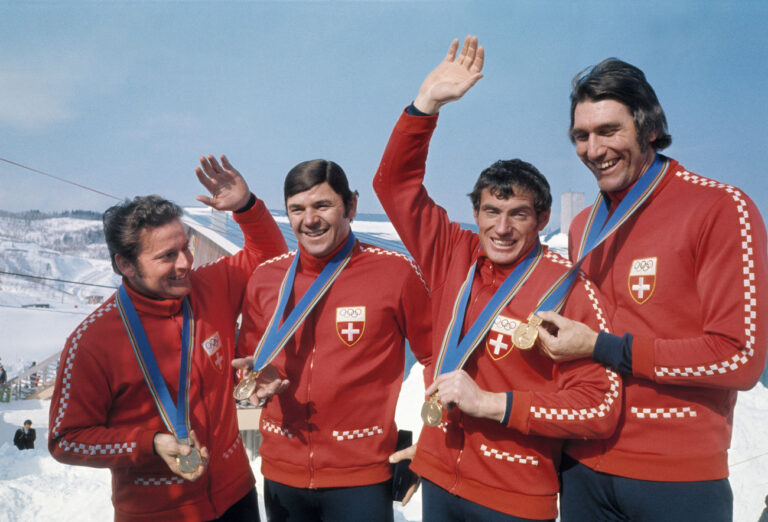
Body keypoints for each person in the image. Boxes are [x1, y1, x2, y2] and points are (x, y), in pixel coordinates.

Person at [373, 36, 621, 521]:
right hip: (441, 480)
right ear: (475, 212)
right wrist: (426, 105)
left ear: (543, 216)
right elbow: (394, 186)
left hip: (514, 497)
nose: (501, 228)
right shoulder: (453, 254)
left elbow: (597, 408)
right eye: (491, 211)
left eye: (518, 214)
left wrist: (492, 404)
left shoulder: (569, 287)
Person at [535, 58, 768, 521]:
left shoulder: (719, 207)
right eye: (581, 136)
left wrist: (604, 348)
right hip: (583, 467)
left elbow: (739, 357)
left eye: (608, 130)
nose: (593, 149)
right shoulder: (584, 225)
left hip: (675, 478)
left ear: (650, 128)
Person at [48, 155, 287, 521]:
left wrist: (246, 207)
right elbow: (66, 439)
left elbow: (269, 258)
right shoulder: (92, 340)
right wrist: (150, 444)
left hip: (236, 496)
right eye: (167, 256)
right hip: (157, 512)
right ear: (125, 265)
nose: (185, 262)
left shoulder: (208, 286)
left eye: (186, 247)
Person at [233, 159, 432, 522]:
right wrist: (252, 382)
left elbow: (437, 358)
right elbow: (246, 360)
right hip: (282, 473)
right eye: (297, 209)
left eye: (322, 205)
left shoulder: (395, 272)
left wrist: (433, 439)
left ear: (351, 206)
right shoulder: (266, 278)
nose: (309, 219)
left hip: (362, 476)